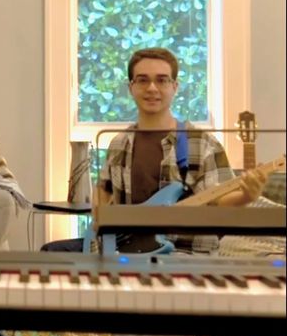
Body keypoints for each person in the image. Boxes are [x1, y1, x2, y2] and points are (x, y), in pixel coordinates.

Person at [42, 47, 266, 253]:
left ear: (174, 87)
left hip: (184, 254)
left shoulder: (202, 143)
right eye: (142, 80)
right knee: (52, 252)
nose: (152, 88)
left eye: (162, 80)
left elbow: (218, 201)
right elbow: (104, 193)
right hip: (126, 251)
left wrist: (248, 194)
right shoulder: (120, 143)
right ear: (131, 87)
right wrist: (100, 227)